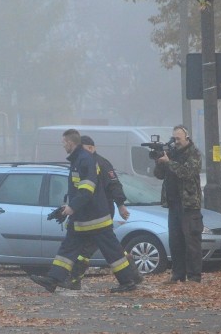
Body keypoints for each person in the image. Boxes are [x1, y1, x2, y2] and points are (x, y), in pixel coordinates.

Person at [29, 128, 141, 294]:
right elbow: (76, 189)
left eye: (63, 143)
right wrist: (67, 207)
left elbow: (87, 190)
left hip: (95, 218)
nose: (63, 146)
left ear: (69, 142)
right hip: (83, 217)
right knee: (68, 249)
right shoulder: (79, 159)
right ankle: (53, 279)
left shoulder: (85, 160)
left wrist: (71, 208)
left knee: (112, 251)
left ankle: (128, 281)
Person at [63, 135, 136, 290]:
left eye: (83, 149)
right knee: (102, 247)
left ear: (92, 148)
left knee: (99, 248)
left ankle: (129, 278)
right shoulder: (82, 162)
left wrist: (121, 205)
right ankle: (132, 276)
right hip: (88, 214)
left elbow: (114, 185)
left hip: (100, 213)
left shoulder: (101, 163)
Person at [153, 124, 204, 283]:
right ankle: (177, 275)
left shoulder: (194, 153)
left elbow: (187, 173)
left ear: (187, 138)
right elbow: (159, 175)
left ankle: (194, 277)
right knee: (175, 242)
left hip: (189, 205)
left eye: (178, 139)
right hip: (173, 204)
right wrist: (159, 161)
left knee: (192, 242)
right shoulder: (171, 153)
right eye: (174, 138)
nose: (176, 142)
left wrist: (169, 162)